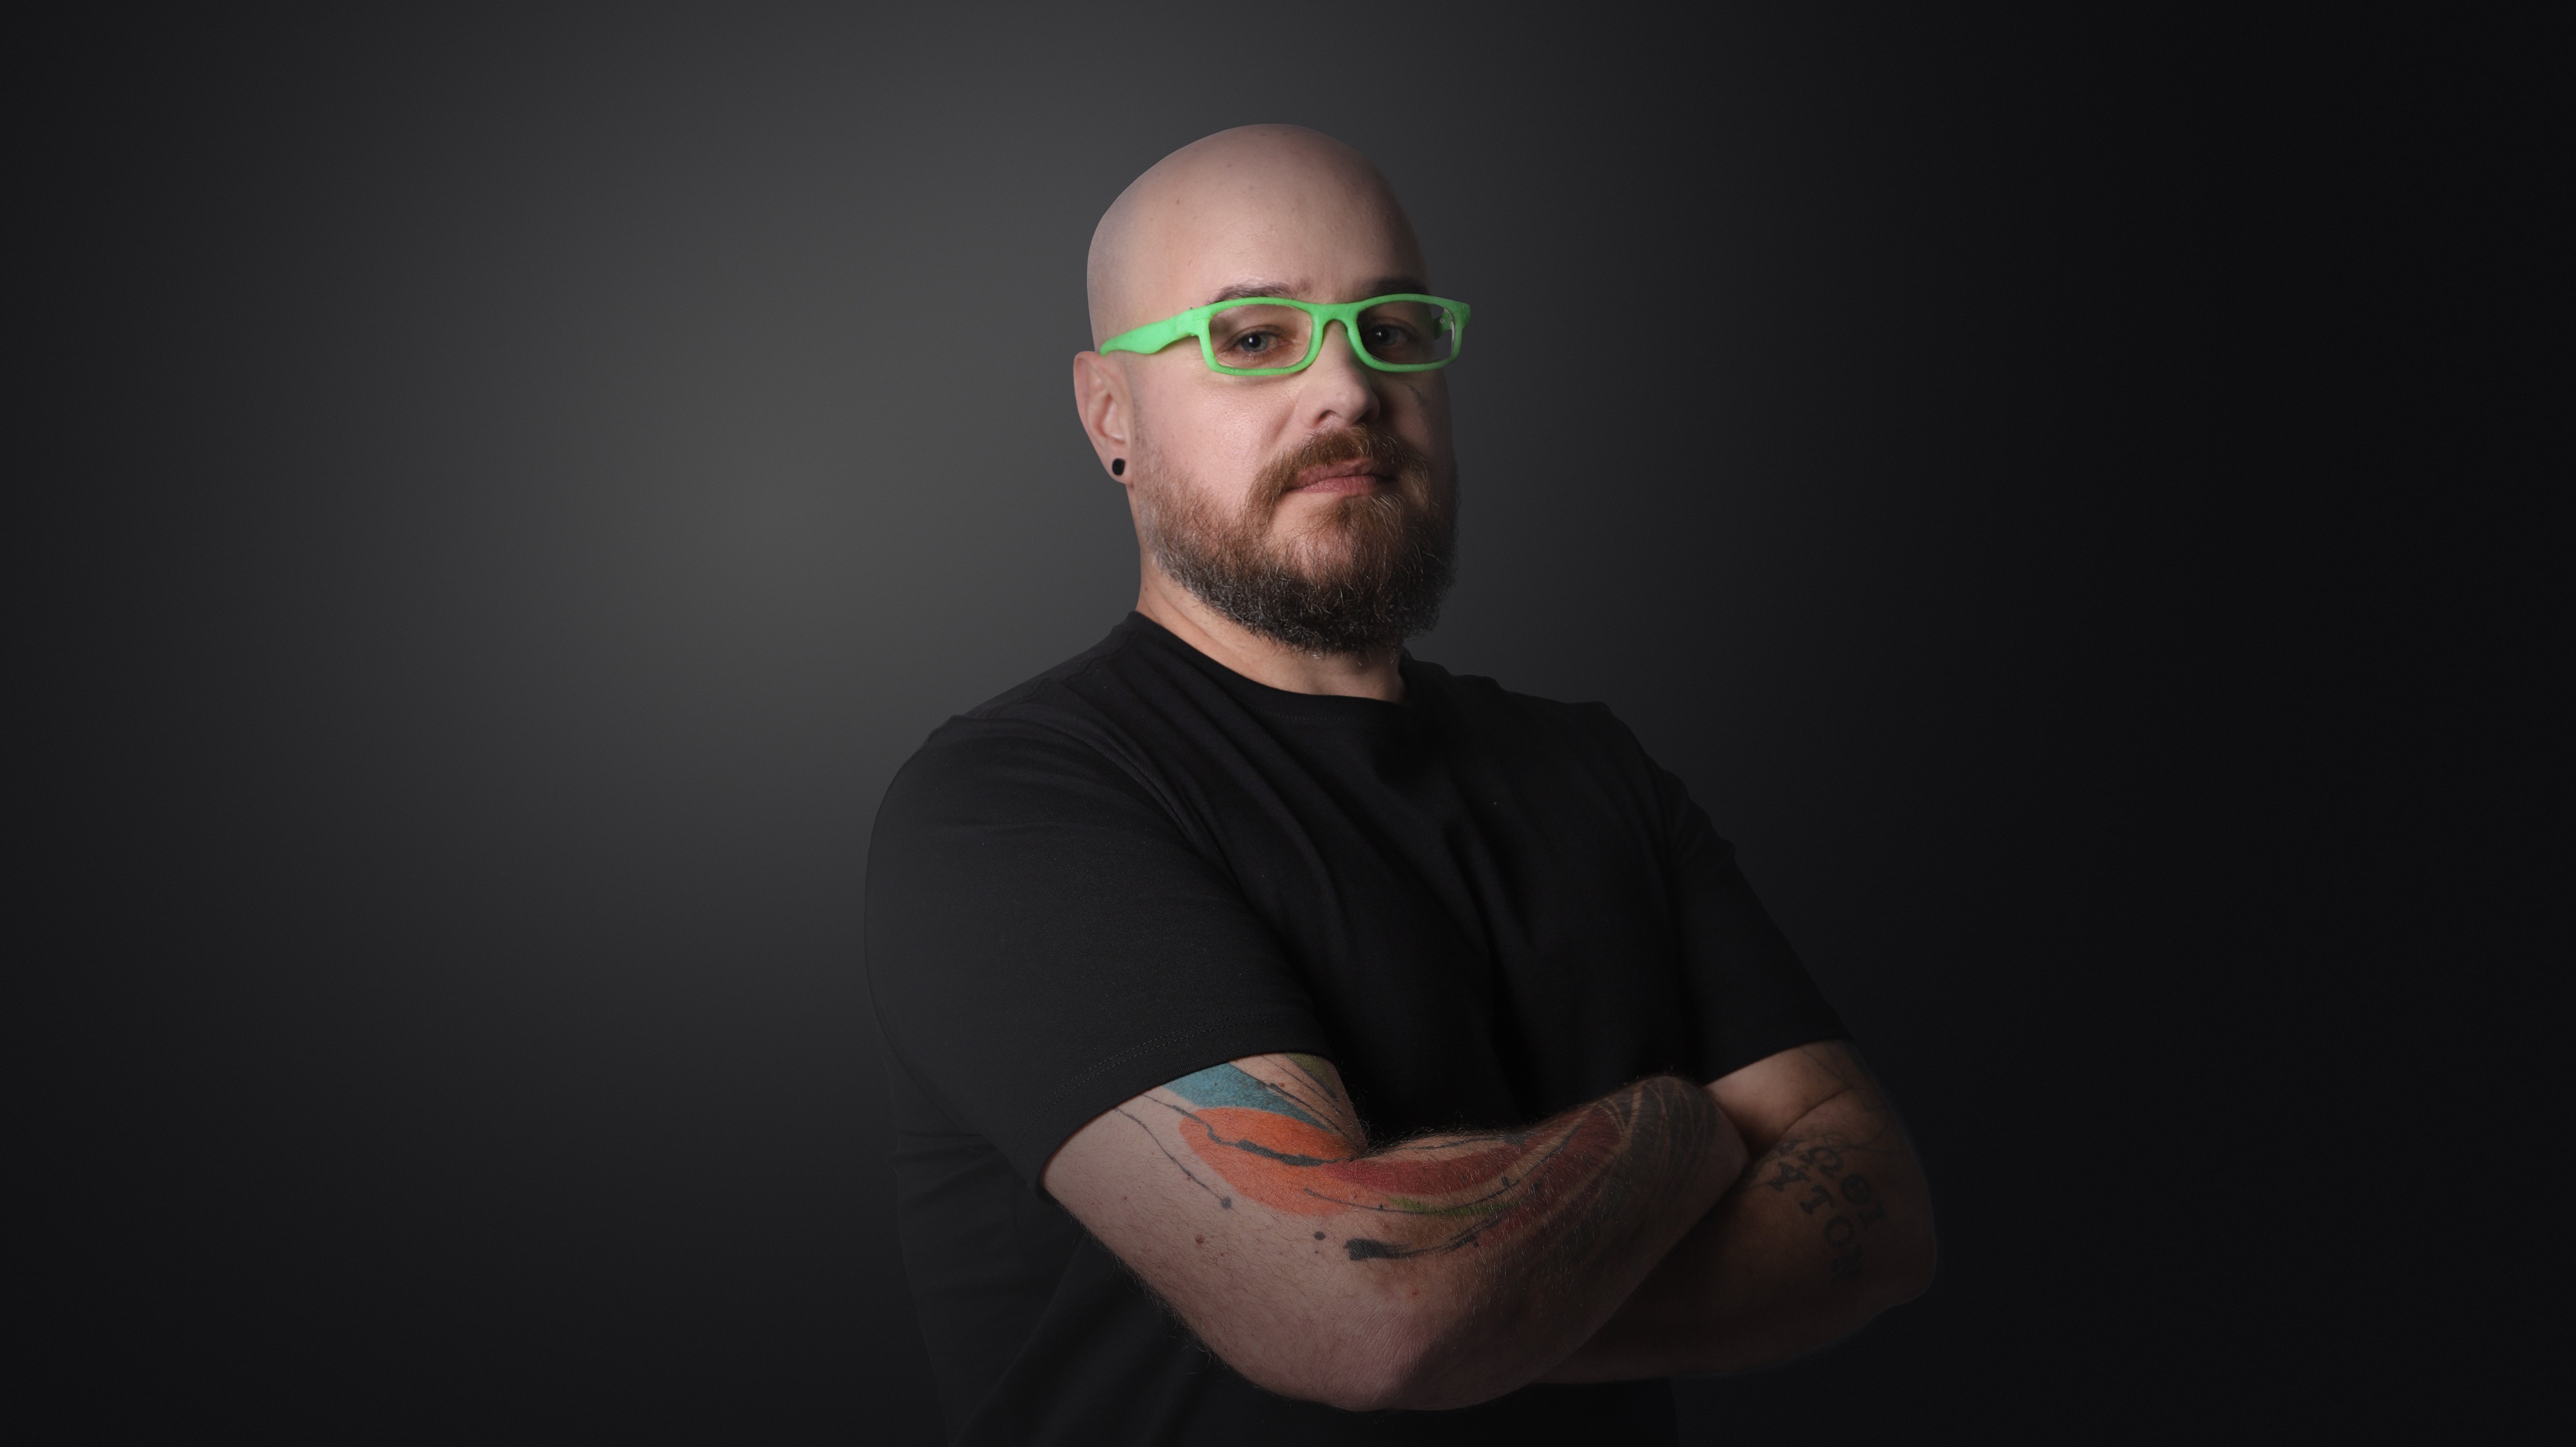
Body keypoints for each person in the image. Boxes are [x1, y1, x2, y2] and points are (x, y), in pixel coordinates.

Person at [865, 124, 1936, 1445]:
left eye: (1393, 329)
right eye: (1255, 336)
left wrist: (1489, 1314)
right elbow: (1367, 1312)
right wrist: (1687, 1124)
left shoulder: (1593, 768)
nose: (1349, 388)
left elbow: (1880, 1210)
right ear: (1110, 416)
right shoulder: (1011, 805)